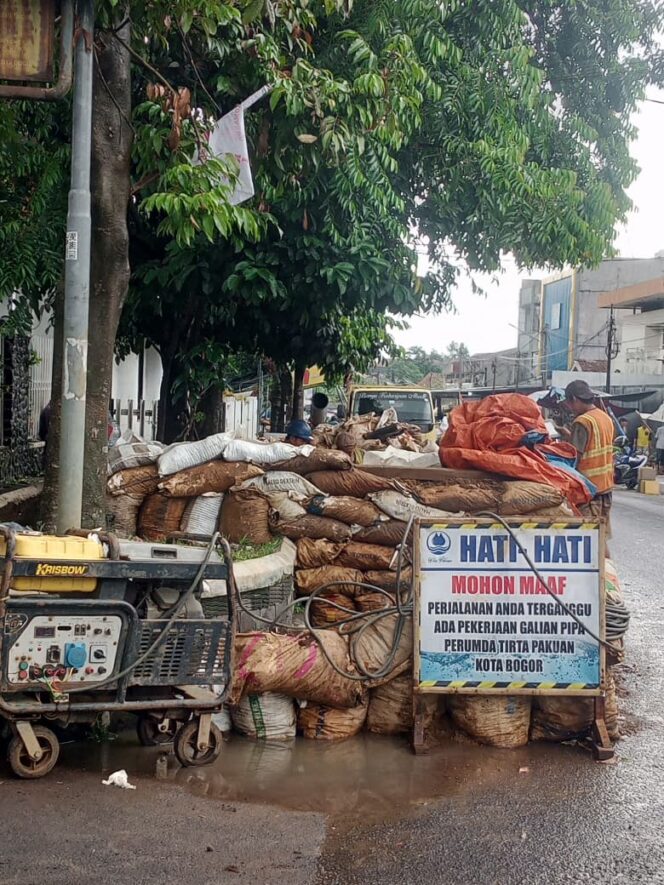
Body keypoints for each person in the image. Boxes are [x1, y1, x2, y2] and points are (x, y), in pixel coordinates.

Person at [559, 380, 615, 535]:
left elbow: (573, 456)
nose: (569, 408)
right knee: (601, 536)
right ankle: (605, 559)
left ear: (575, 399)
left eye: (569, 403)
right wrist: (569, 435)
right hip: (605, 486)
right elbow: (592, 444)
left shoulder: (582, 421)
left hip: (588, 490)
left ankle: (604, 559)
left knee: (590, 538)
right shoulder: (604, 418)